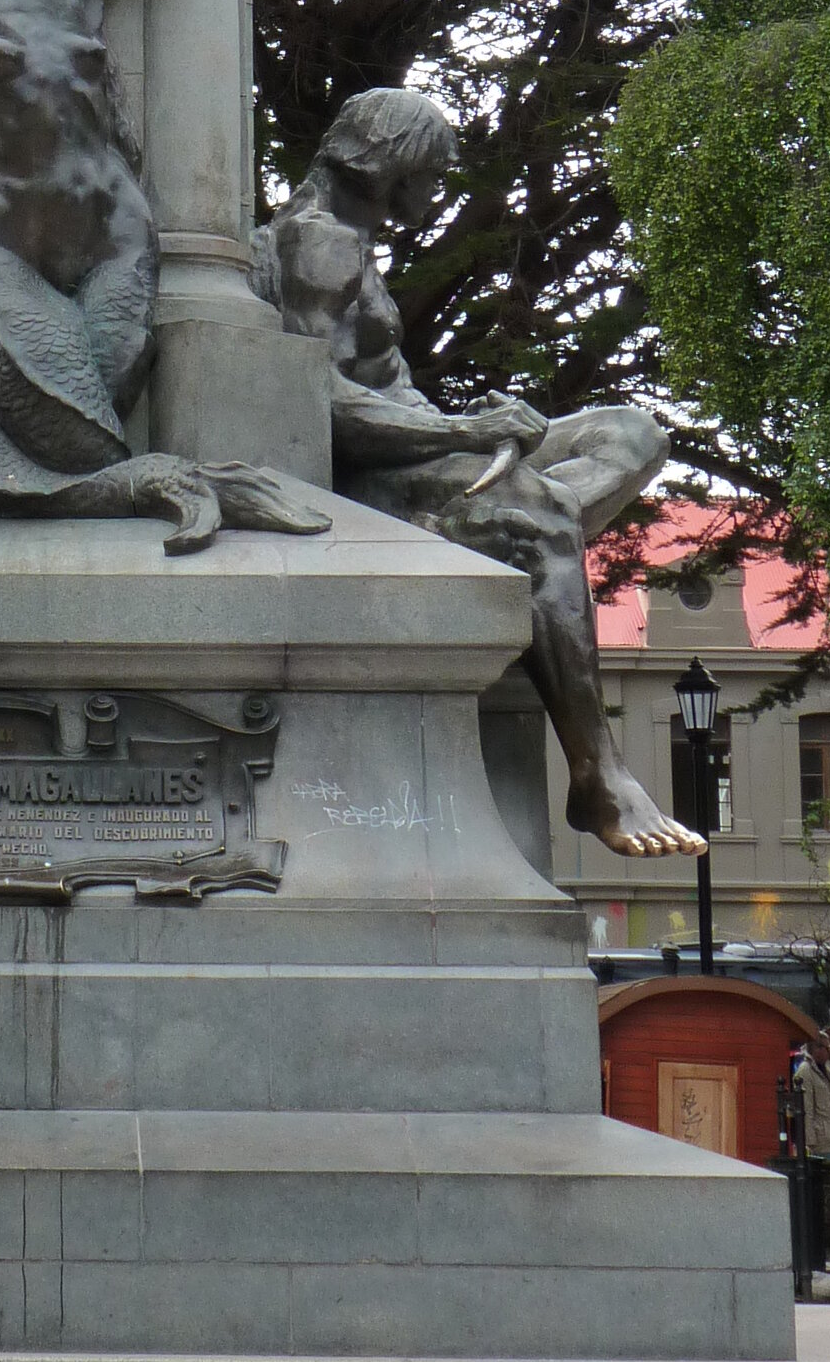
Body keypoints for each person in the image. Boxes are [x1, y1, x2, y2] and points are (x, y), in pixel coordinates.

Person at [262, 90, 700, 856]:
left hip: (432, 451)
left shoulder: (351, 241)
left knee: (631, 435)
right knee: (543, 516)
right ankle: (598, 770)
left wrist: (473, 431)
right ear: (386, 163)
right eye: (429, 175)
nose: (435, 195)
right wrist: (471, 428)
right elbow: (322, 408)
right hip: (375, 476)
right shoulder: (318, 242)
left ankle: (512, 544)